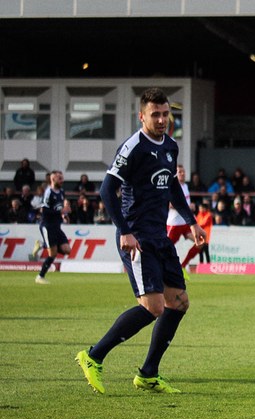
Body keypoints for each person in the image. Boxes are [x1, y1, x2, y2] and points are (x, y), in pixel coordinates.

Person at [76, 87, 205, 396]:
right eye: (155, 114)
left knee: (179, 303)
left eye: (165, 114)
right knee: (153, 307)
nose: (161, 120)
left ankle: (148, 373)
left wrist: (191, 221)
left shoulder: (170, 146)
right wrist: (124, 230)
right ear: (142, 116)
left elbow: (172, 187)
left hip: (159, 236)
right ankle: (93, 356)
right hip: (137, 237)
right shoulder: (133, 147)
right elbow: (107, 190)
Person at [34, 170, 71, 284]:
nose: (62, 180)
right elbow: (44, 211)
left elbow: (59, 208)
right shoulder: (48, 192)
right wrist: (61, 212)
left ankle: (43, 244)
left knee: (67, 250)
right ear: (53, 179)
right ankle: (40, 277)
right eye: (59, 178)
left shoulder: (61, 192)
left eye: (62, 178)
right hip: (47, 226)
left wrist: (64, 215)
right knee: (53, 254)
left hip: (57, 226)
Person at [166, 164, 196, 278]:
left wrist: (191, 206)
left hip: (185, 223)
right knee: (164, 249)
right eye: (180, 172)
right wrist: (186, 207)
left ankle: (183, 266)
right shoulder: (172, 187)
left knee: (201, 242)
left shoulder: (185, 186)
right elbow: (169, 204)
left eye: (183, 172)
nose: (182, 174)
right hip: (174, 224)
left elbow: (186, 203)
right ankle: (160, 270)